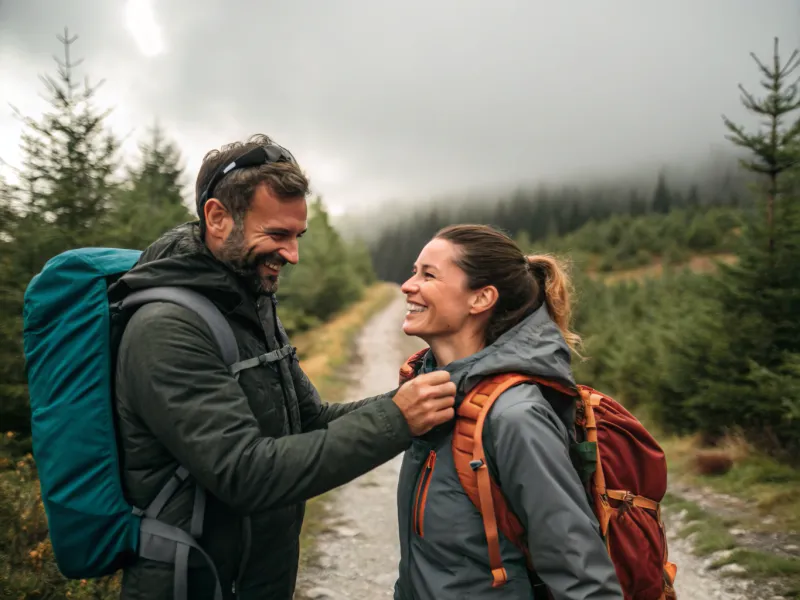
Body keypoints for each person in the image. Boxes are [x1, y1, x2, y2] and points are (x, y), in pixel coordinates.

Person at [108, 134, 457, 600]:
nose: (292, 254)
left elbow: (309, 421)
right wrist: (398, 419)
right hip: (193, 580)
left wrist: (416, 399)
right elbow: (245, 474)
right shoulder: (167, 328)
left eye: (297, 236)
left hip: (252, 576)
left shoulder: (246, 303)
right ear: (217, 217)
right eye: (277, 235)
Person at [392, 224, 624, 600]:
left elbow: (578, 570)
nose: (407, 285)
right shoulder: (433, 394)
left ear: (481, 298)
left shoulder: (514, 415)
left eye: (428, 275)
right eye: (414, 271)